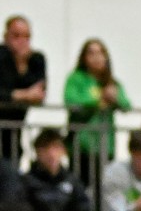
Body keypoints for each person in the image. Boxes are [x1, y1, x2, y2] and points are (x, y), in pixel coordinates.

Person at [65, 39, 133, 189]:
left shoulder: (111, 82)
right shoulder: (77, 78)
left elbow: (127, 105)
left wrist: (114, 98)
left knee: (103, 188)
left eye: (100, 53)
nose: (96, 57)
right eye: (91, 53)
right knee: (80, 188)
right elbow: (71, 100)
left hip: (105, 145)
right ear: (84, 57)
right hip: (81, 145)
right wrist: (98, 99)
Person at [0, 16, 47, 162]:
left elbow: (39, 93)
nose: (22, 41)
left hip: (15, 127)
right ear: (6, 36)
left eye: (26, 36)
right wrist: (24, 94)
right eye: (16, 35)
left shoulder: (36, 59)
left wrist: (22, 65)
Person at [21, 129, 89, 211]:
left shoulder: (73, 181)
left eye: (56, 147)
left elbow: (83, 206)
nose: (51, 154)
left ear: (63, 151)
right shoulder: (26, 183)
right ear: (37, 151)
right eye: (45, 148)